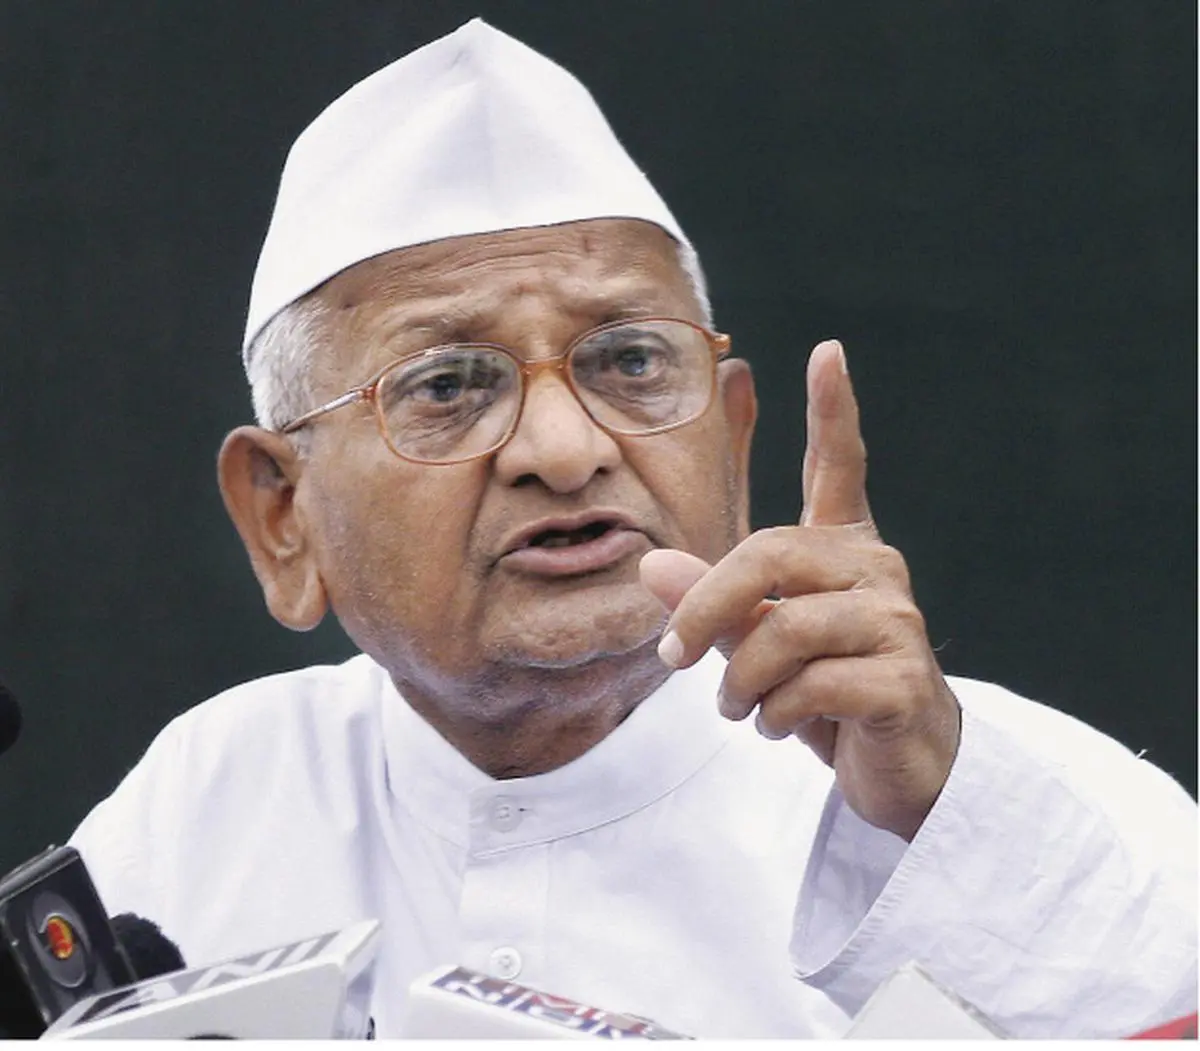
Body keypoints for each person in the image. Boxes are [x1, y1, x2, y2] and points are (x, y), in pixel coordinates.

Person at [68, 19, 1196, 1039]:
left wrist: (948, 837)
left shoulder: (981, 795)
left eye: (630, 362)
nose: (563, 448)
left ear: (735, 441)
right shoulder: (211, 799)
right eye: (449, 384)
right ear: (283, 516)